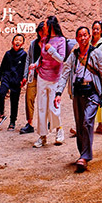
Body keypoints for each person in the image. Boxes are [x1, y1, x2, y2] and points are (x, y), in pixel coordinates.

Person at [55, 25, 102, 172]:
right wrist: (58, 93)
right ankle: (82, 154)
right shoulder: (73, 55)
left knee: (87, 121)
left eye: (85, 35)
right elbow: (65, 73)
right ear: (77, 38)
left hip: (92, 92)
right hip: (78, 92)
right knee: (80, 125)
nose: (83, 37)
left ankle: (85, 156)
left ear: (89, 36)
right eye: (80, 35)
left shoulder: (96, 53)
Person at [33, 15, 66, 148]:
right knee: (41, 107)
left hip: (54, 79)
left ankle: (59, 130)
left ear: (51, 25)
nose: (43, 26)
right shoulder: (44, 39)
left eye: (45, 24)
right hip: (42, 76)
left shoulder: (61, 40)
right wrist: (35, 64)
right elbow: (41, 57)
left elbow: (61, 59)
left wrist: (51, 50)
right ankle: (42, 135)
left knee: (53, 107)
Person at [0, 33, 27, 130]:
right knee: (1, 94)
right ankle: (2, 114)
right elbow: (2, 66)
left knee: (14, 100)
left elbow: (25, 68)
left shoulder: (23, 55)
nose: (18, 42)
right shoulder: (8, 54)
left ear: (23, 43)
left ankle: (12, 122)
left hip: (17, 79)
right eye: (16, 40)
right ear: (12, 42)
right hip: (6, 77)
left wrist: (23, 79)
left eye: (20, 40)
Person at [20, 21, 45, 135]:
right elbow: (28, 60)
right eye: (40, 30)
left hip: (45, 75)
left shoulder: (49, 44)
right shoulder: (33, 44)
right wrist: (25, 75)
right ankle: (29, 123)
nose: (42, 32)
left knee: (45, 99)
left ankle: (48, 121)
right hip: (33, 75)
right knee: (29, 98)